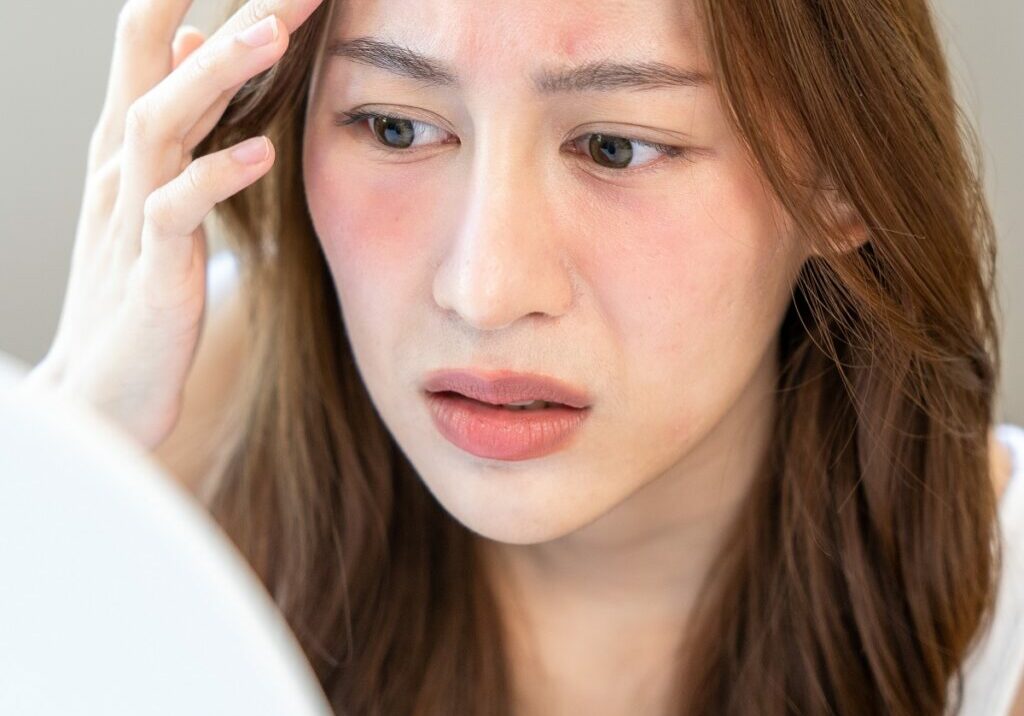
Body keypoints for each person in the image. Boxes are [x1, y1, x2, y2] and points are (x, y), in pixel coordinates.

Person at [19, 0, 1024, 713]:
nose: (484, 289)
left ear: (843, 177)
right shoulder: (154, 475)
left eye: (615, 147)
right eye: (396, 125)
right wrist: (69, 480)